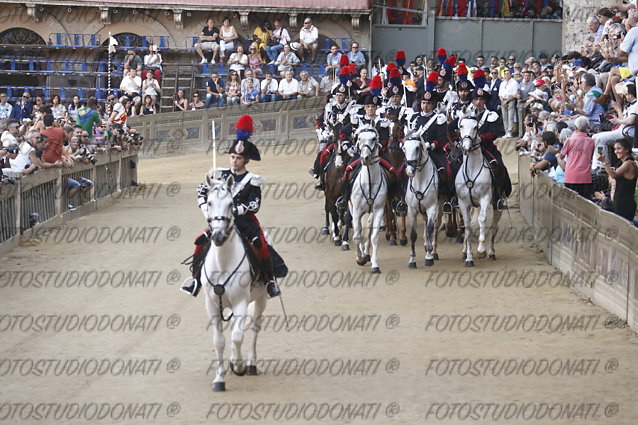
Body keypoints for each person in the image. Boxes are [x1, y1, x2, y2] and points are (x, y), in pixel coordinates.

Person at [182, 114, 286, 298]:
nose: (234, 161)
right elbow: (200, 191)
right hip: (220, 222)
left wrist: (234, 210)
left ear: (245, 160)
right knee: (200, 243)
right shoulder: (218, 175)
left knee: (261, 245)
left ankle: (269, 281)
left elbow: (254, 205)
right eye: (232, 157)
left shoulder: (252, 181)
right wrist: (206, 208)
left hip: (245, 223)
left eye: (238, 158)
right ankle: (196, 280)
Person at [471, 88, 511, 210]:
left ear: (485, 101)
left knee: (498, 166)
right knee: (453, 165)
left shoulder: (491, 115)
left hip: (485, 147)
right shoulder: (466, 114)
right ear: (472, 101)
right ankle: (453, 197)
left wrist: (480, 138)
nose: (478, 102)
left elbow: (494, 133)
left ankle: (497, 196)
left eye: (481, 99)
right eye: (476, 99)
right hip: (469, 148)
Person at [596, 139, 637, 221]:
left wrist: (603, 162)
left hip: (625, 204)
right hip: (620, 203)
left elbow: (614, 175)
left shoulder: (628, 163)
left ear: (626, 150)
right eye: (615, 149)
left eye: (619, 148)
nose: (616, 151)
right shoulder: (622, 163)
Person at [559, 116, 595, 199]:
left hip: (571, 176)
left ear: (575, 127)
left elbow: (561, 156)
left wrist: (557, 155)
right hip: (585, 177)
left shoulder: (569, 140)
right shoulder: (591, 141)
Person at [499, 68, 519, 137]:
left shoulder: (514, 82)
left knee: (510, 116)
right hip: (503, 100)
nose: (506, 75)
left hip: (510, 100)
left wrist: (507, 101)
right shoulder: (502, 83)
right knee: (504, 117)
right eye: (505, 74)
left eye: (508, 74)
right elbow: (500, 94)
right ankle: (506, 131)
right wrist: (502, 101)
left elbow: (514, 94)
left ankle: (510, 131)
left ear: (511, 74)